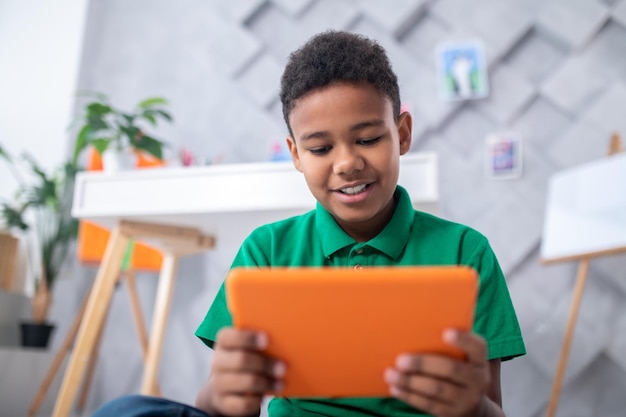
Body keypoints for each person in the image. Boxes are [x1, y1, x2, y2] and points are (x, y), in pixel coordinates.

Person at [93, 30, 525, 417]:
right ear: (296, 154)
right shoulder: (267, 251)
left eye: (369, 139)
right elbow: (220, 400)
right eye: (320, 149)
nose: (347, 163)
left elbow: (491, 410)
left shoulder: (466, 252)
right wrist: (221, 399)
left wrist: (474, 409)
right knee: (125, 411)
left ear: (403, 134)